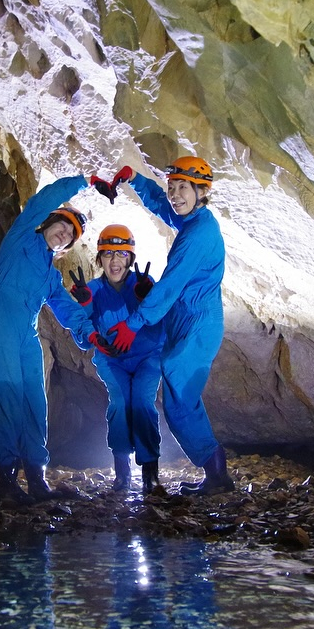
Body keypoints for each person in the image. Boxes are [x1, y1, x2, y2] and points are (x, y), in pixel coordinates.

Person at [97, 157, 234, 494]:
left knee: (180, 400)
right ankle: (215, 474)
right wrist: (136, 180)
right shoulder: (193, 221)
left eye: (182, 188)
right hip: (185, 321)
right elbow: (163, 207)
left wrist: (134, 323)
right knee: (178, 397)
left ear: (202, 191)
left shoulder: (198, 234)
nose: (174, 195)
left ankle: (218, 475)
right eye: (172, 187)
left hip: (198, 325)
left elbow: (170, 286)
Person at [0, 175, 96, 504]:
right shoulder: (22, 236)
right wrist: (83, 181)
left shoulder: (50, 275)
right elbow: (43, 199)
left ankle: (37, 478)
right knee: (7, 398)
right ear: (48, 223)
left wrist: (90, 334)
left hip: (26, 332)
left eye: (70, 237)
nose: (64, 234)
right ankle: (6, 481)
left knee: (35, 403)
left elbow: (67, 308)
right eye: (63, 227)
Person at [70, 224, 165, 494]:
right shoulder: (91, 291)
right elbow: (81, 338)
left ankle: (150, 474)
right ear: (99, 259)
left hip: (147, 356)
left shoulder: (143, 285)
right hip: (112, 359)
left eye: (122, 254)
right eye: (108, 253)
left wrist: (150, 298)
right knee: (122, 403)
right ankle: (122, 474)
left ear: (130, 259)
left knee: (143, 403)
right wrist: (86, 307)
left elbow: (162, 322)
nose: (115, 260)